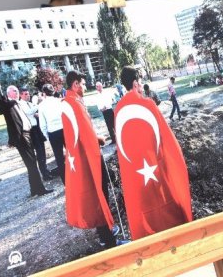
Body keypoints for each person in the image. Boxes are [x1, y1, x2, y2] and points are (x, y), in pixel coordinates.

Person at [115, 66, 193, 240]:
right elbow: (166, 139)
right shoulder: (147, 104)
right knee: (163, 200)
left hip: (135, 170)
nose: (142, 86)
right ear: (135, 83)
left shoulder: (118, 109)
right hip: (153, 166)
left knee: (144, 203)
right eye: (140, 82)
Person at [61, 71, 118, 247]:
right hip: (89, 158)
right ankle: (108, 240)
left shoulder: (72, 102)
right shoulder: (73, 104)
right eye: (83, 84)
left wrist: (94, 138)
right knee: (99, 194)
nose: (85, 88)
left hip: (85, 156)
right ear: (76, 85)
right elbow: (83, 135)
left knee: (97, 195)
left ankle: (104, 230)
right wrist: (97, 140)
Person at [0, 85, 51, 197]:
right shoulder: (8, 105)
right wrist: (3, 97)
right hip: (21, 137)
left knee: (31, 164)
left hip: (28, 134)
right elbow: (1, 109)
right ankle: (40, 189)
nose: (17, 92)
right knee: (32, 163)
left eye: (17, 91)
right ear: (8, 94)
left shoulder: (17, 103)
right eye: (14, 91)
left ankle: (34, 189)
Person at [19, 87, 52, 181]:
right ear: (21, 95)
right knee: (39, 151)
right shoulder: (21, 104)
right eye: (25, 94)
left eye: (28, 94)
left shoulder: (29, 103)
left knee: (42, 151)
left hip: (37, 128)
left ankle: (45, 170)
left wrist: (36, 112)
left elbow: (33, 113)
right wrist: (39, 105)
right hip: (31, 130)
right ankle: (44, 174)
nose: (27, 95)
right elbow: (28, 112)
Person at [38, 84, 66, 184]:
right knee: (72, 154)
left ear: (44, 93)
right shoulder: (59, 101)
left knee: (59, 158)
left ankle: (66, 182)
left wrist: (47, 136)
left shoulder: (41, 106)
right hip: (64, 129)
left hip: (53, 133)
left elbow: (42, 125)